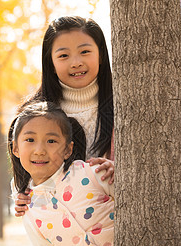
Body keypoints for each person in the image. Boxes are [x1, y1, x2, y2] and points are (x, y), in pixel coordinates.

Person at [8, 100, 114, 246]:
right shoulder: (31, 214)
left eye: (51, 141)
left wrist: (119, 171)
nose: (39, 150)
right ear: (15, 148)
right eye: (30, 140)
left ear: (68, 150)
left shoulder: (92, 174)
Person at [14, 16, 115, 217]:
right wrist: (20, 194)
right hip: (59, 226)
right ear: (50, 62)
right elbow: (24, 164)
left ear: (101, 55)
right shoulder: (36, 113)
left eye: (85, 52)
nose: (76, 63)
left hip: (109, 224)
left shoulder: (123, 105)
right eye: (63, 56)